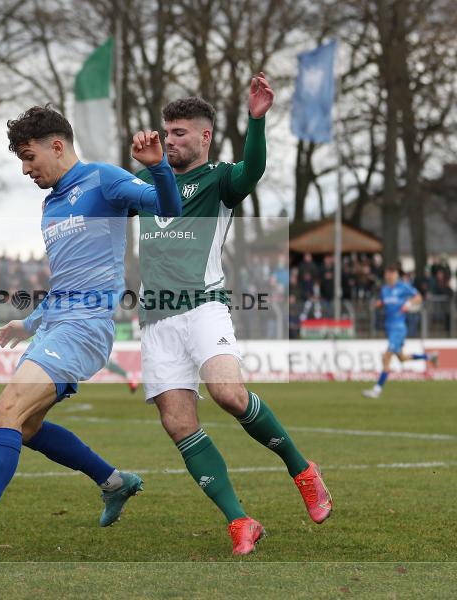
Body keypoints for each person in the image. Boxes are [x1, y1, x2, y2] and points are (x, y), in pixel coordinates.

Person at [0, 104, 182, 560]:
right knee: (28, 425)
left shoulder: (104, 179)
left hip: (86, 328)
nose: (25, 169)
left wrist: (158, 167)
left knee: (6, 412)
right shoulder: (51, 204)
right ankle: (114, 482)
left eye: (28, 156)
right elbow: (67, 280)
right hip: (56, 325)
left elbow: (171, 210)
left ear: (56, 146)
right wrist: (31, 321)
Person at [133, 79, 330, 556]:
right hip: (155, 320)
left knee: (228, 393)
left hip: (203, 305)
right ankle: (241, 520)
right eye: (166, 131)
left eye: (179, 132)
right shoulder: (142, 183)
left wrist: (257, 120)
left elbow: (254, 168)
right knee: (178, 424)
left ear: (204, 137)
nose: (169, 139)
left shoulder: (219, 179)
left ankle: (302, 470)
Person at [362, 264, 438, 399]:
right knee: (402, 358)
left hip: (399, 328)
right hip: (389, 327)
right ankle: (429, 357)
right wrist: (379, 304)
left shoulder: (403, 287)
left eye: (392, 273)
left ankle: (377, 389)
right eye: (388, 273)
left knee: (386, 357)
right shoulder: (385, 290)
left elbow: (418, 297)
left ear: (396, 275)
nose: (389, 276)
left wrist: (408, 304)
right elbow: (386, 302)